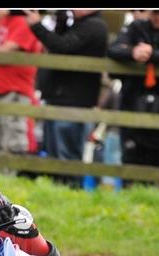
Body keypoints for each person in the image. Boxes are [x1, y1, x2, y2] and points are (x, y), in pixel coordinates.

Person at [25, 10, 108, 187]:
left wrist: (37, 26)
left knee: (67, 158)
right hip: (60, 99)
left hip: (74, 102)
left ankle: (70, 191)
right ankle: (59, 192)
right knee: (54, 156)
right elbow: (62, 44)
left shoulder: (94, 26)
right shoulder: (79, 24)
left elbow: (63, 46)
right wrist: (61, 21)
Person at [106, 9, 159, 170]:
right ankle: (129, 190)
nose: (158, 17)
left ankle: (154, 193)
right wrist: (132, 52)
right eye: (155, 13)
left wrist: (151, 55)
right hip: (133, 99)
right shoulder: (136, 26)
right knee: (131, 152)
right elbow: (113, 49)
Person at [0, 10, 43, 173]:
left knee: (12, 144)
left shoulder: (25, 21)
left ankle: (8, 186)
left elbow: (6, 51)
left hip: (15, 90)